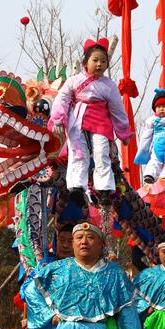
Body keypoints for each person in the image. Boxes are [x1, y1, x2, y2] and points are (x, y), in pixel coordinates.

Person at [49, 38, 133, 206]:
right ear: (85, 62)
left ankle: (104, 189)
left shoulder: (109, 85)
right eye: (95, 60)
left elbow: (118, 110)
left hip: (101, 123)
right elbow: (62, 99)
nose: (99, 64)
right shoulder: (73, 81)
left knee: (102, 153)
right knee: (78, 153)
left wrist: (124, 133)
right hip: (77, 122)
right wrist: (58, 117)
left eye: (103, 61)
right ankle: (76, 188)